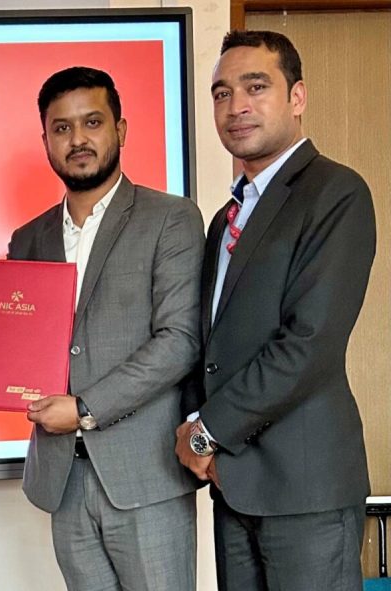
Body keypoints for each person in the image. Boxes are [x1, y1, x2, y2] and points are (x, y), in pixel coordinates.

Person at [0, 66, 204, 590]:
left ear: (120, 129)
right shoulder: (30, 238)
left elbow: (179, 342)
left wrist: (85, 407)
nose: (78, 140)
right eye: (62, 128)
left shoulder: (170, 218)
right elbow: (1, 350)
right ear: (46, 140)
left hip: (145, 478)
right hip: (63, 480)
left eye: (92, 122)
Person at [176, 30, 376, 591]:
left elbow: (309, 341)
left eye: (256, 87)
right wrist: (199, 435)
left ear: (297, 96)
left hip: (305, 487)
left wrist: (206, 431)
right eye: (221, 93)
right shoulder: (225, 219)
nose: (235, 106)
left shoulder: (336, 193)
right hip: (233, 483)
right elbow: (209, 345)